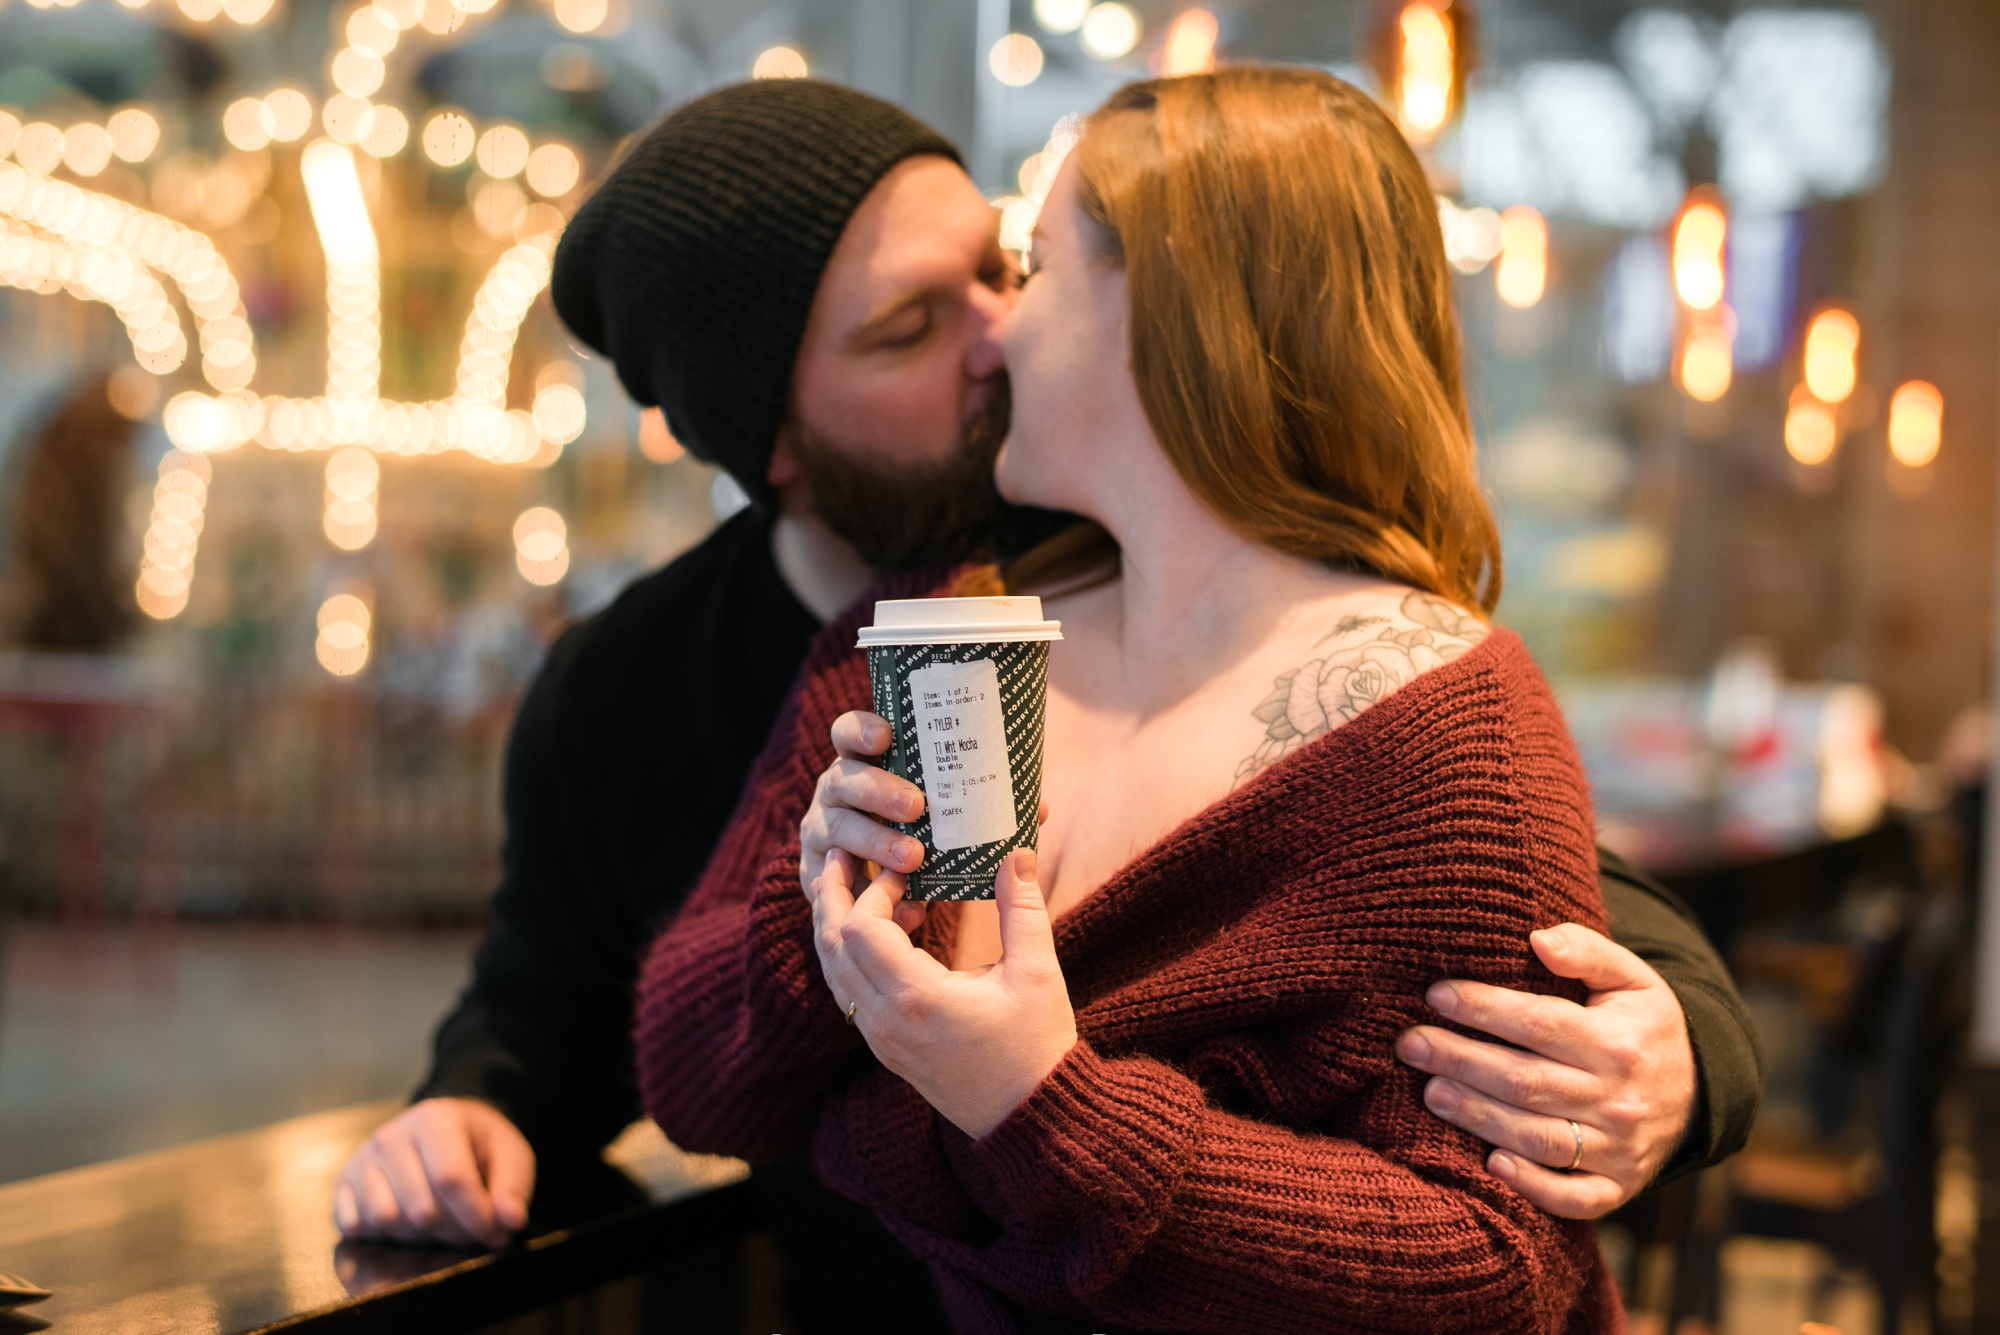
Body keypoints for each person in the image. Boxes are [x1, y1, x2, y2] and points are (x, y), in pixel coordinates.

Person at [333, 78, 1756, 1309]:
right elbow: (563, 993)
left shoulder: (1151, 551)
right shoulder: (666, 678)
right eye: (906, 330)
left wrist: (1682, 1053)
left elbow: (1503, 880)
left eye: (1008, 268)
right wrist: (475, 1099)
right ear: (768, 439)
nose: (995, 332)